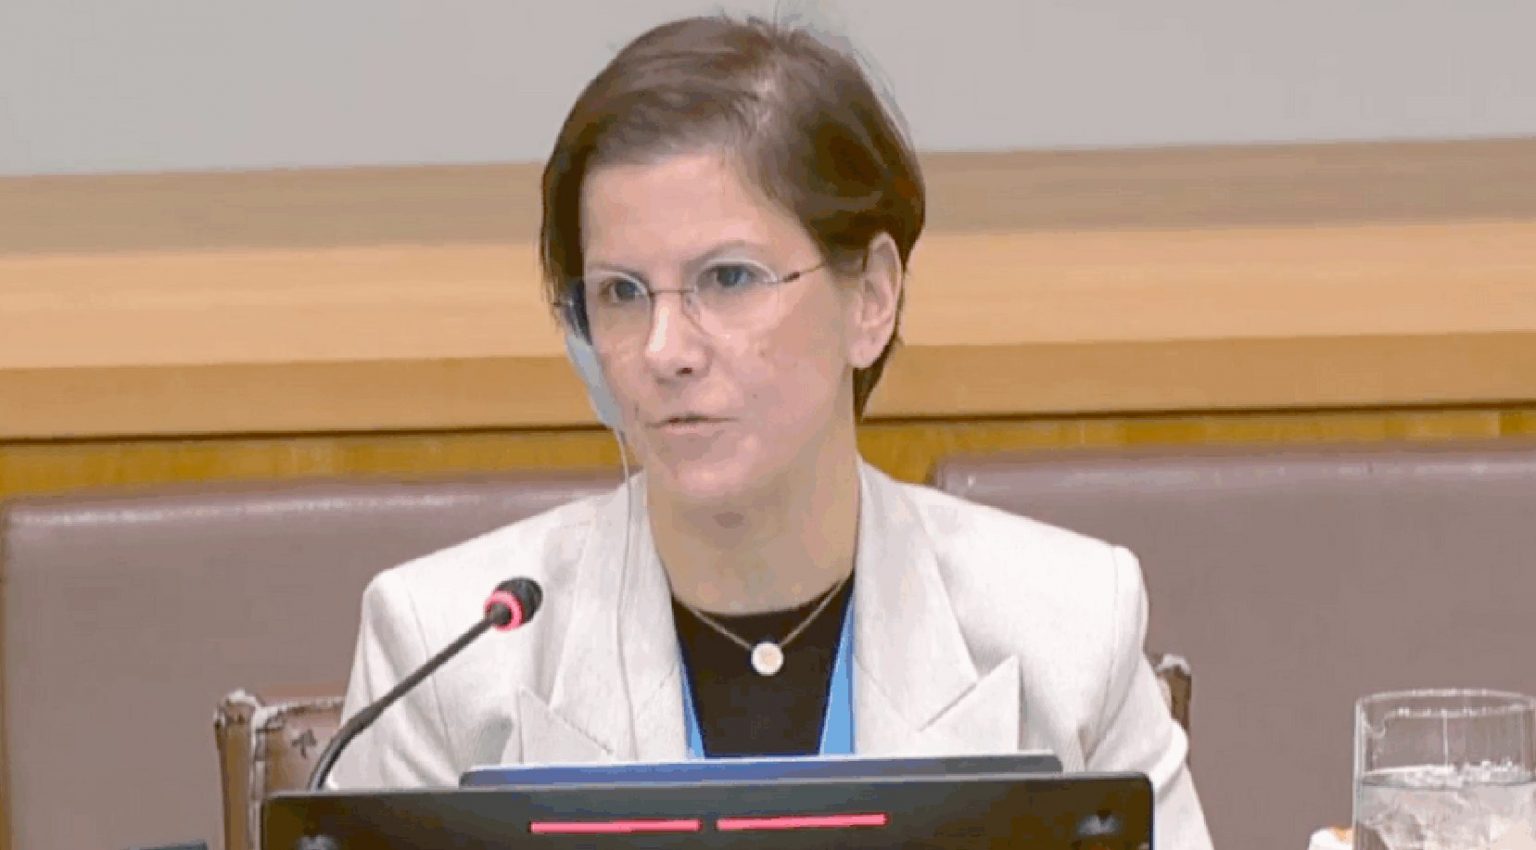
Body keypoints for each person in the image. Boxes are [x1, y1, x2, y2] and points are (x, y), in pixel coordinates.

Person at [330, 13, 1213, 849]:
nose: (665, 350)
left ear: (871, 298)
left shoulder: (1068, 625)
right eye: (621, 293)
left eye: (728, 279)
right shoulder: (445, 653)